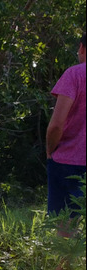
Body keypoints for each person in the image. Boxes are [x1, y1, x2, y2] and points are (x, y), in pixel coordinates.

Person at [46, 32, 86, 237]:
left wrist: (49, 150)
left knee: (65, 230)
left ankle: (64, 269)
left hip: (69, 162)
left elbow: (56, 126)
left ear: (82, 47)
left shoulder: (75, 74)